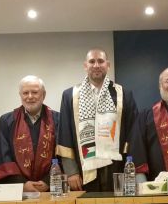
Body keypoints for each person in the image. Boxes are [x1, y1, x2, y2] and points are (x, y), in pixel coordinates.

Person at [56, 48, 138, 192]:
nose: (96, 65)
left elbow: (133, 133)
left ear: (108, 65)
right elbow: (65, 134)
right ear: (85, 65)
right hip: (83, 168)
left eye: (100, 61)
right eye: (92, 61)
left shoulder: (123, 94)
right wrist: (71, 171)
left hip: (116, 166)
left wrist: (129, 168)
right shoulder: (71, 95)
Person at [0, 75, 59, 192]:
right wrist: (22, 184)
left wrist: (48, 181)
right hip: (18, 190)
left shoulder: (58, 119)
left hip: (51, 188)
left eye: (35, 92)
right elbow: (3, 156)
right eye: (25, 93)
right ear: (20, 95)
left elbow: (63, 154)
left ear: (43, 95)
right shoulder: (7, 121)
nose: (30, 97)